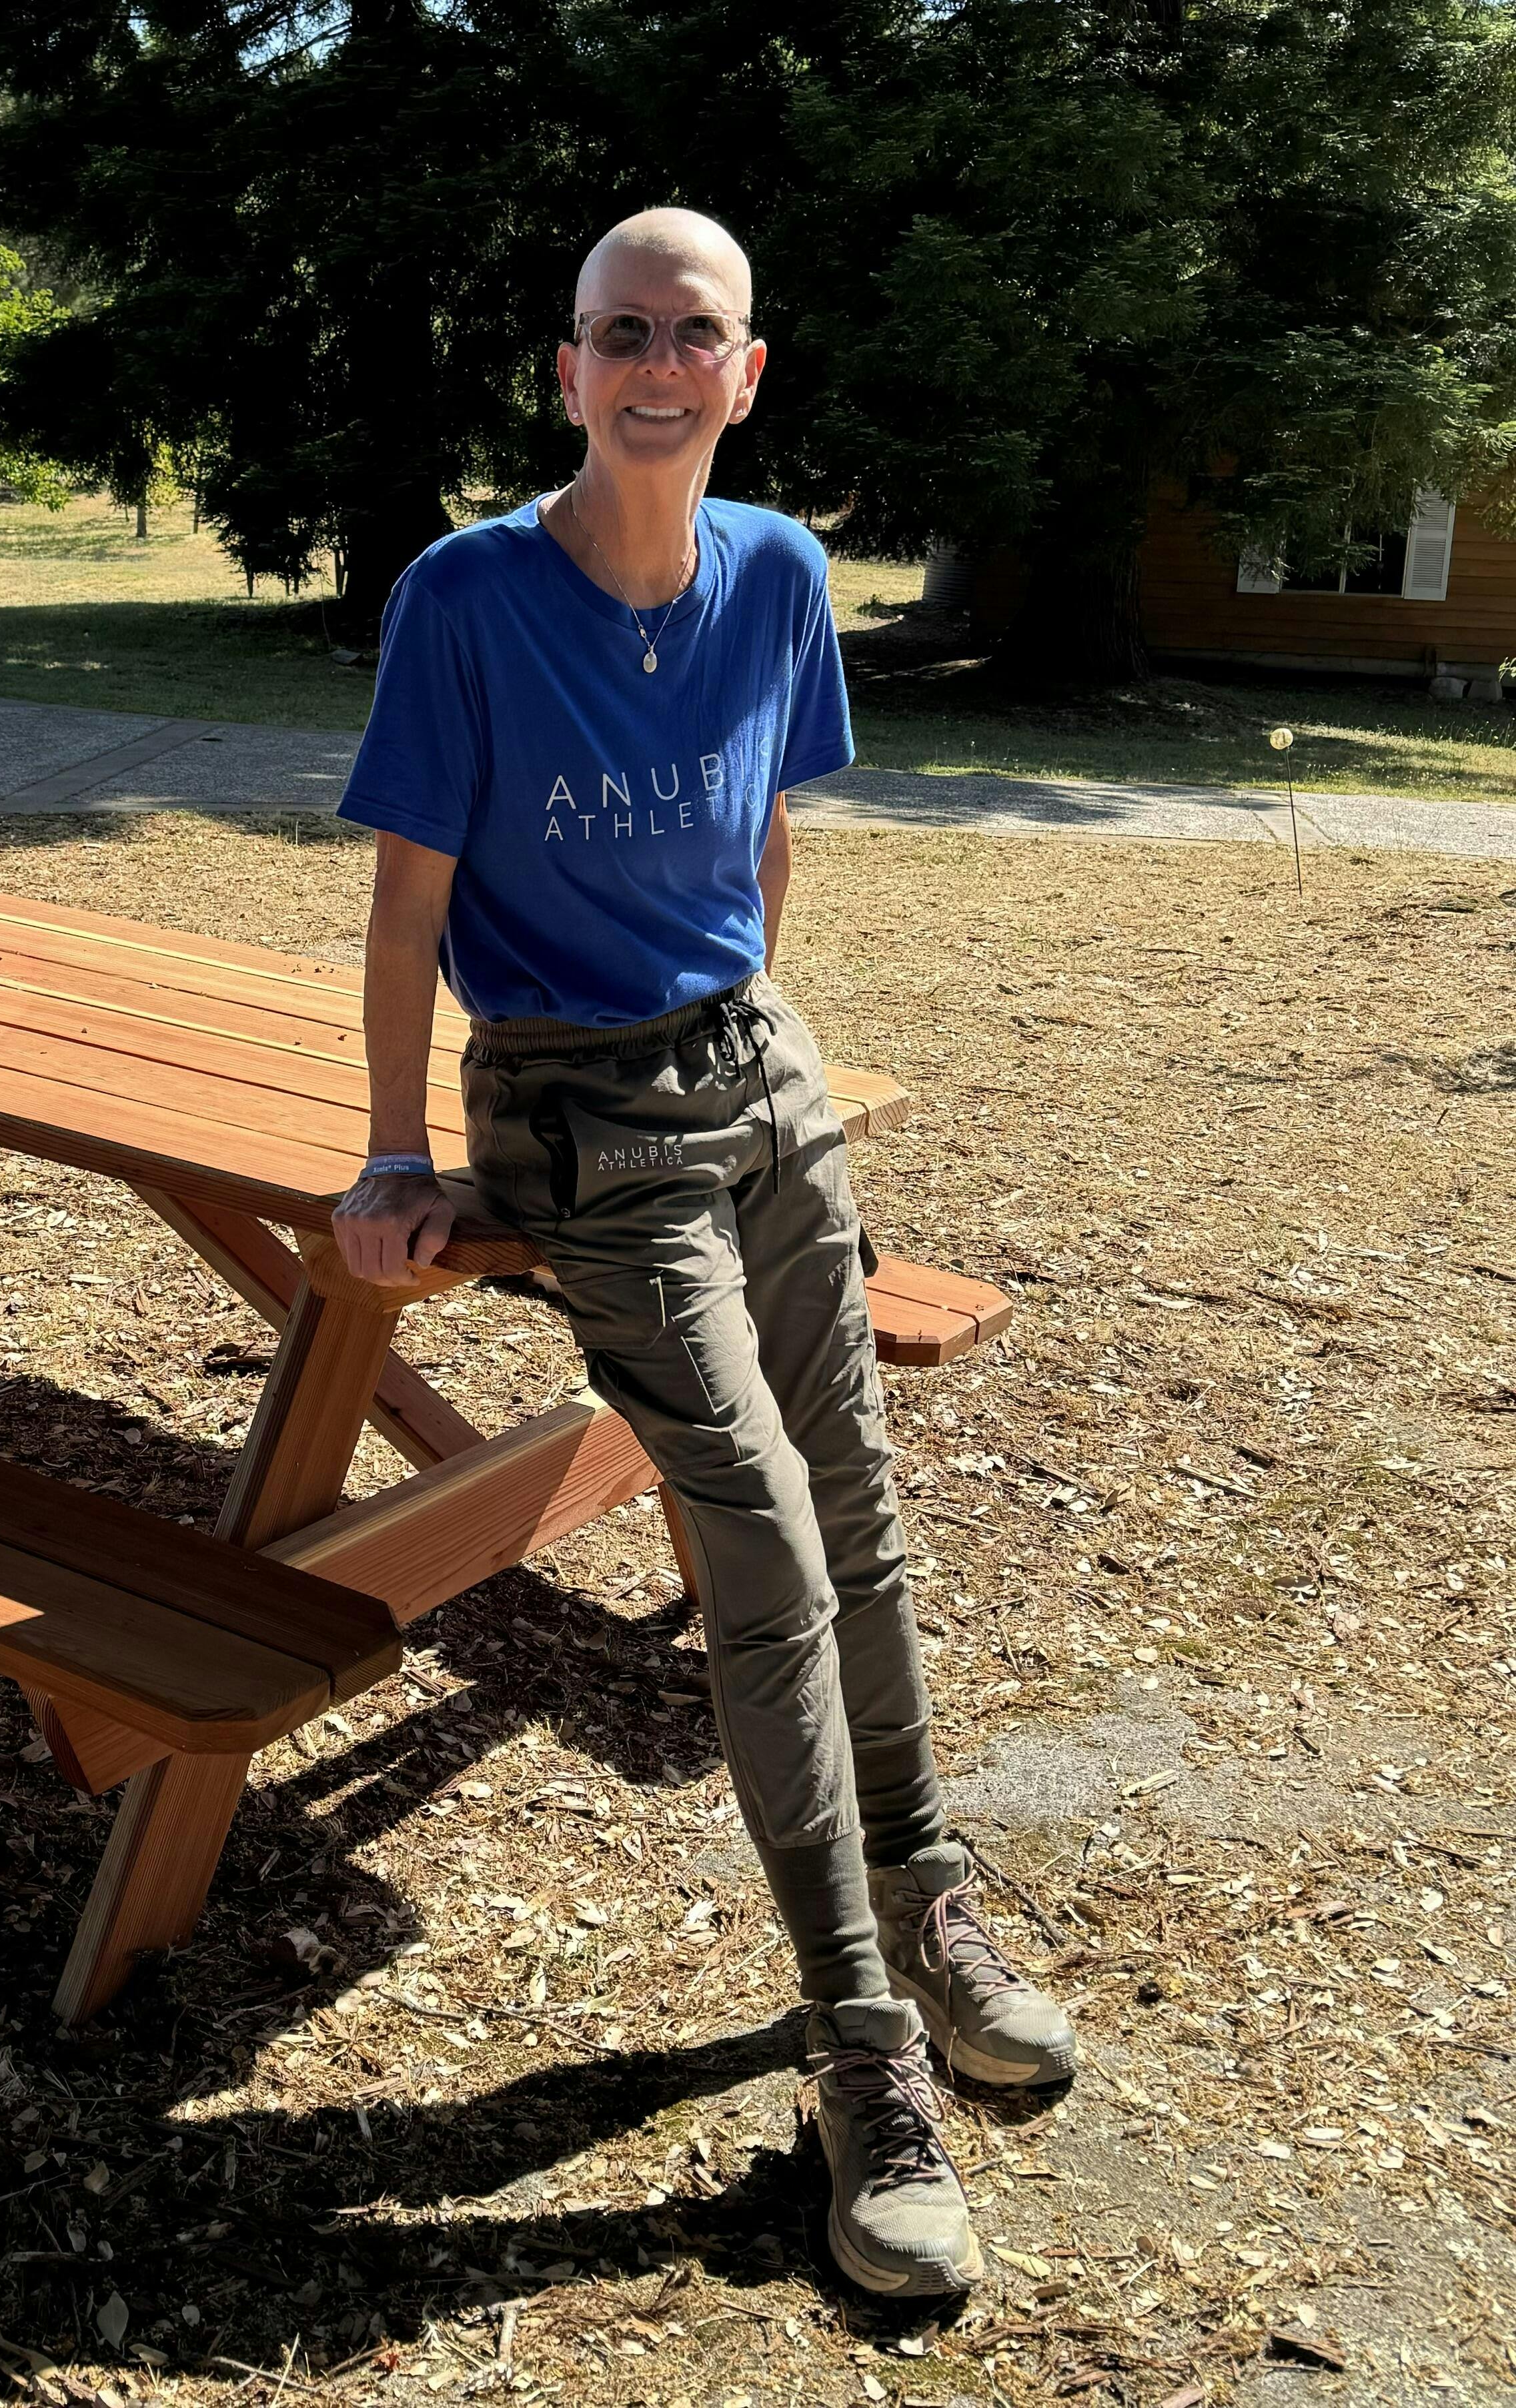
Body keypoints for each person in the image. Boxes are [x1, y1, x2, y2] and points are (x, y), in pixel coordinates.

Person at [331, 206, 1076, 2300]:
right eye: (620, 331)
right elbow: (405, 907)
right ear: (566, 368)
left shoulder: (776, 571)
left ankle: (926, 1898)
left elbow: (764, 831)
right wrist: (394, 1149)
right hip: (575, 1111)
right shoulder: (468, 596)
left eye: (695, 333)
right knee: (752, 1529)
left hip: (756, 1076)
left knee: (857, 1498)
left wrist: (756, 1021)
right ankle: (854, 2044)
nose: (657, 364)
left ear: (747, 374)